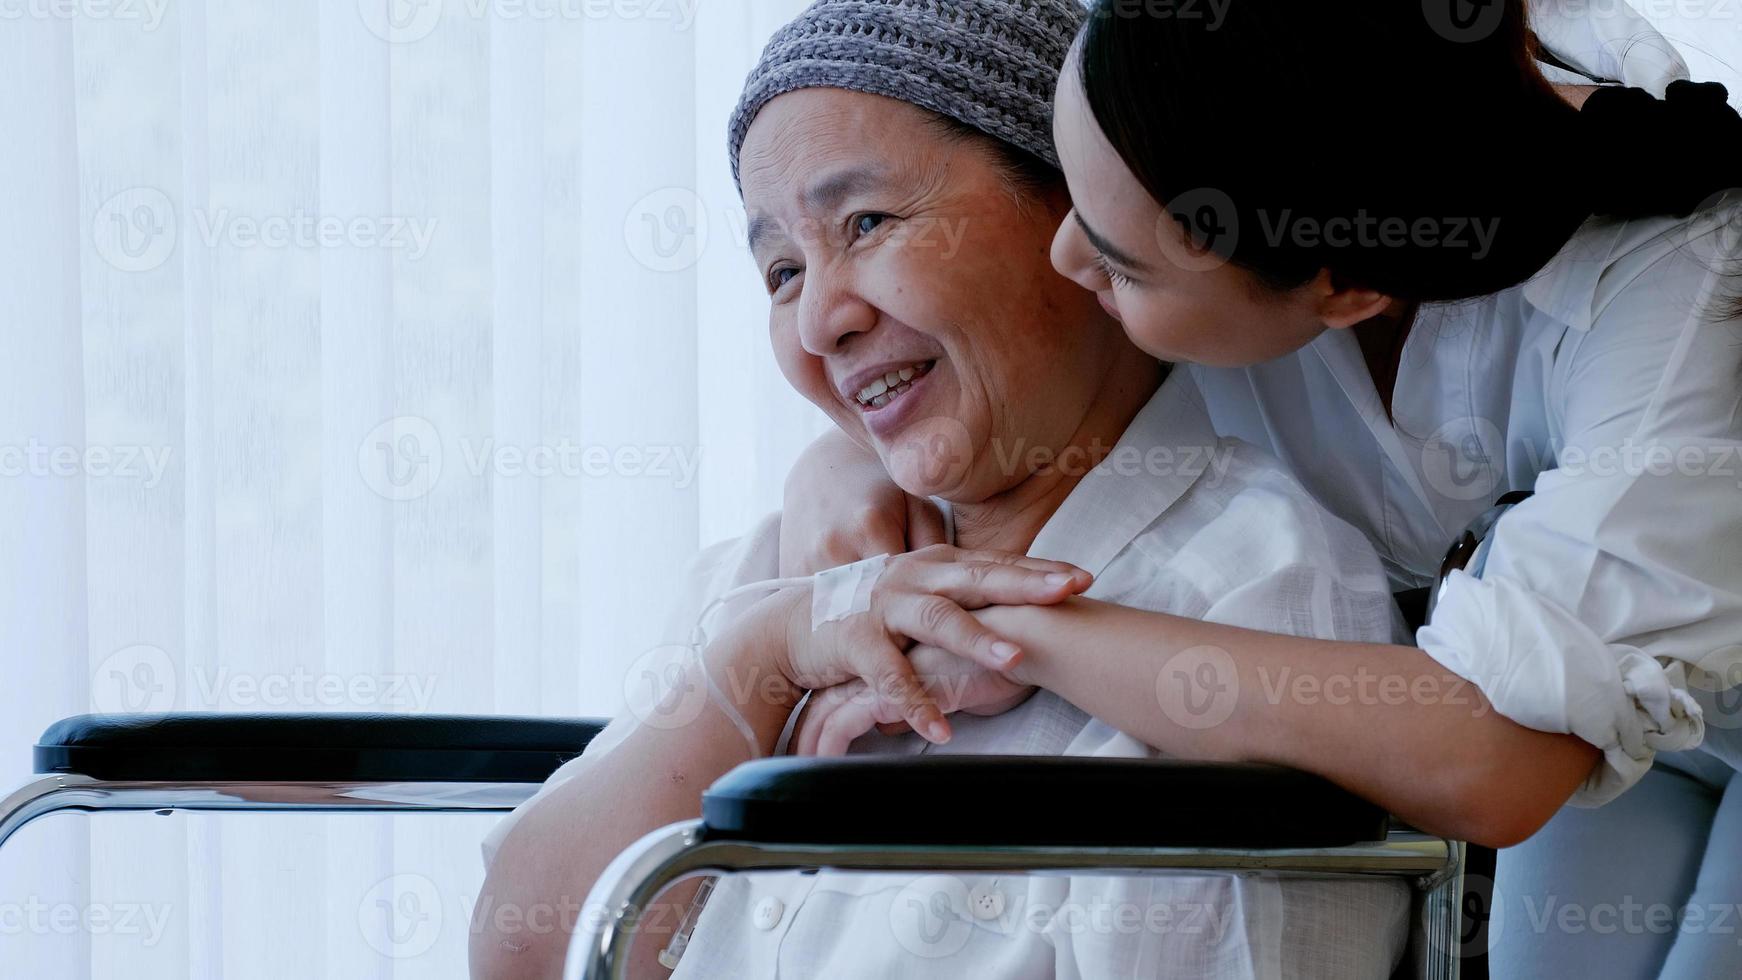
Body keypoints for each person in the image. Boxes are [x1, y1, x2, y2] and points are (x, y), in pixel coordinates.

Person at [469, 3, 1436, 976]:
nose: (818, 321)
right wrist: (761, 652)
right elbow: (523, 952)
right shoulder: (769, 573)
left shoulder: (1258, 591)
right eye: (779, 270)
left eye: (867, 223)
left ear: (1083, 222)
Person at [778, 1, 1742, 976]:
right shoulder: (1204, 84)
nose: (1066, 260)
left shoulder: (1676, 295)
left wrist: (1007, 631)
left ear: (1343, 291)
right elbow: (1012, 318)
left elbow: (1492, 756)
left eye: (1116, 264)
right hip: (1601, 710)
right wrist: (851, 452)